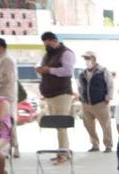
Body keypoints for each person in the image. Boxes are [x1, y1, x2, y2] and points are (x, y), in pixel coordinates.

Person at [36, 31, 75, 160]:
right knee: (57, 126)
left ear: (53, 40)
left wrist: (50, 70)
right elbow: (44, 68)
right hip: (50, 94)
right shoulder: (48, 55)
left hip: (62, 93)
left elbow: (68, 71)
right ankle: (63, 151)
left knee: (61, 124)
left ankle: (64, 153)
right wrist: (41, 70)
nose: (46, 46)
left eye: (47, 43)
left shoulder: (66, 53)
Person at [78, 51, 114, 153]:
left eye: (88, 58)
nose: (87, 60)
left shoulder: (103, 71)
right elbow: (80, 87)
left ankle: (108, 145)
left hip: (100, 103)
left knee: (105, 125)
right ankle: (95, 145)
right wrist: (81, 97)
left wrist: (108, 97)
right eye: (85, 58)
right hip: (86, 104)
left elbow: (110, 84)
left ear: (94, 58)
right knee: (89, 125)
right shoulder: (83, 73)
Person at [0, 38, 19, 158]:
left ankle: (13, 146)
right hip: (0, 95)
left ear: (0, 47)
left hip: (6, 95)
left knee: (9, 122)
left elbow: (8, 78)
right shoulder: (0, 59)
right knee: (4, 122)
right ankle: (8, 147)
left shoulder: (7, 60)